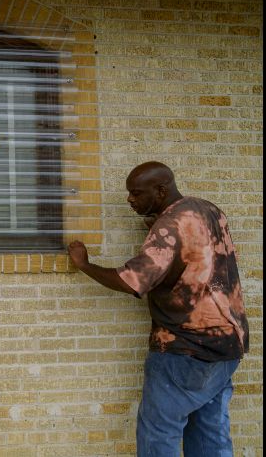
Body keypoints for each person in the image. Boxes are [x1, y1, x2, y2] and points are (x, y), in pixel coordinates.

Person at [67, 161, 249, 457]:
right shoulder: (208, 210)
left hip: (185, 350)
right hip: (228, 344)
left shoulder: (169, 226)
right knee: (209, 434)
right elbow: (199, 258)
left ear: (161, 190)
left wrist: (84, 264)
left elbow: (132, 281)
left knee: (158, 433)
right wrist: (156, 226)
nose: (130, 200)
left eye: (136, 194)